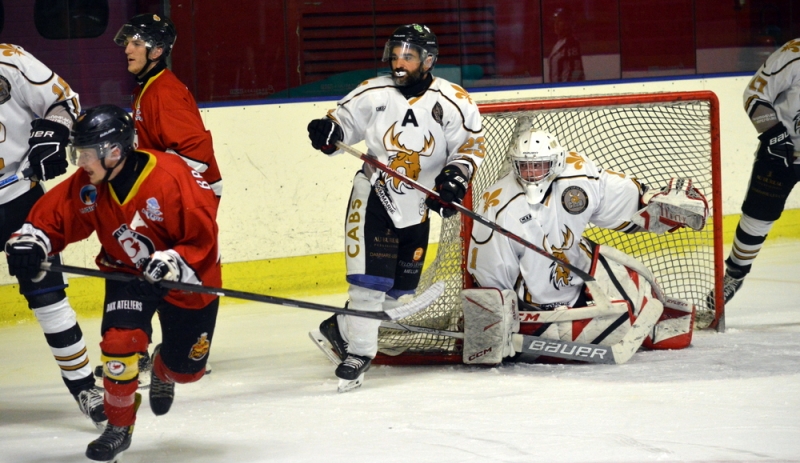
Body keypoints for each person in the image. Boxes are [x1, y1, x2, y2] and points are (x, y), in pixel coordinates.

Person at [4, 104, 221, 463]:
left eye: (85, 154)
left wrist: (173, 261)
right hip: (128, 274)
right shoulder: (92, 183)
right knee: (119, 342)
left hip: (186, 278)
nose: (79, 162)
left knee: (188, 369)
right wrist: (33, 241)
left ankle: (166, 371)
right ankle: (119, 426)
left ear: (114, 151)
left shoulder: (172, 178)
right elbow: (57, 215)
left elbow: (203, 240)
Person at [306, 24, 484, 391]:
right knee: (369, 284)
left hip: (417, 203)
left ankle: (339, 327)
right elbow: (342, 123)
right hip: (374, 193)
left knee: (401, 289)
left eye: (409, 56)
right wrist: (328, 131)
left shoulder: (454, 100)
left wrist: (453, 179)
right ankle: (359, 353)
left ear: (429, 60)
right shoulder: (375, 91)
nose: (399, 62)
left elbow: (468, 147)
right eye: (396, 54)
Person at [467, 128, 708, 363]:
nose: (532, 173)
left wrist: (656, 205)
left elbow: (618, 197)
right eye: (525, 166)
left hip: (581, 272)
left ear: (556, 161)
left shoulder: (578, 174)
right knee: (618, 328)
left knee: (641, 292)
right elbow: (491, 272)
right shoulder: (497, 205)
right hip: (538, 307)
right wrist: (497, 320)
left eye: (539, 165)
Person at [0, 44, 107, 427]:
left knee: (48, 299)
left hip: (15, 199)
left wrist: (53, 132)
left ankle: (84, 387)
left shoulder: (9, 60)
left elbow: (64, 101)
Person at [708, 37, 800, 309]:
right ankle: (735, 274)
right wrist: (773, 134)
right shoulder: (793, 55)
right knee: (757, 219)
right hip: (780, 153)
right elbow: (754, 94)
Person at [114, 13, 222, 199]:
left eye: (136, 44)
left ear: (156, 51)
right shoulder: (146, 88)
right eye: (128, 43)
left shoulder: (165, 93)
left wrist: (157, 184)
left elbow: (196, 152)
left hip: (190, 194)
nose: (127, 50)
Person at [547, 7, 585, 83]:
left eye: (559, 21)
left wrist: (567, 89)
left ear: (568, 24)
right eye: (555, 21)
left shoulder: (572, 43)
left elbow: (576, 71)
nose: (556, 24)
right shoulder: (558, 44)